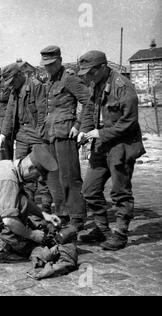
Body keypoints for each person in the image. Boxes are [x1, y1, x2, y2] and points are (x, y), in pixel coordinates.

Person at [77, 50, 146, 250]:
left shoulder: (123, 86)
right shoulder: (95, 83)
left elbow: (130, 122)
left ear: (102, 67)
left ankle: (121, 234)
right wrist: (85, 131)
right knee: (89, 189)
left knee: (120, 192)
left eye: (90, 72)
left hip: (121, 146)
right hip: (101, 145)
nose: (88, 77)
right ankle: (102, 229)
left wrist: (101, 134)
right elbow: (89, 110)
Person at [38, 45, 91, 231]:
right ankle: (62, 214)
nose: (48, 68)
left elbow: (89, 101)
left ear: (59, 60)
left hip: (66, 133)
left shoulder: (69, 79)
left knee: (70, 177)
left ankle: (76, 217)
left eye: (51, 64)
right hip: (50, 134)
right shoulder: (49, 81)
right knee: (53, 177)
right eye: (46, 65)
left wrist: (80, 126)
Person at [0, 63, 53, 213]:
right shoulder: (14, 90)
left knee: (42, 172)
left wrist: (42, 137)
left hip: (37, 135)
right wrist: (3, 134)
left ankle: (46, 208)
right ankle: (28, 207)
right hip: (21, 135)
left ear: (19, 75)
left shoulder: (36, 86)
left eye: (12, 81)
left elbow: (43, 113)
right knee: (22, 172)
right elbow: (9, 113)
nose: (10, 85)